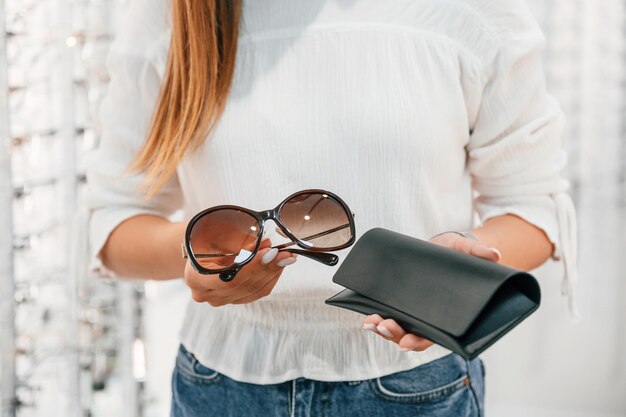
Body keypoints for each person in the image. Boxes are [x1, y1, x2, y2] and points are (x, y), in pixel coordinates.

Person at [83, 0, 578, 416]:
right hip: (221, 385)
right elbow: (113, 224)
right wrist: (202, 249)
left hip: (412, 388)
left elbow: (532, 207)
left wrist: (445, 278)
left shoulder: (471, 12)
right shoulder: (170, 18)